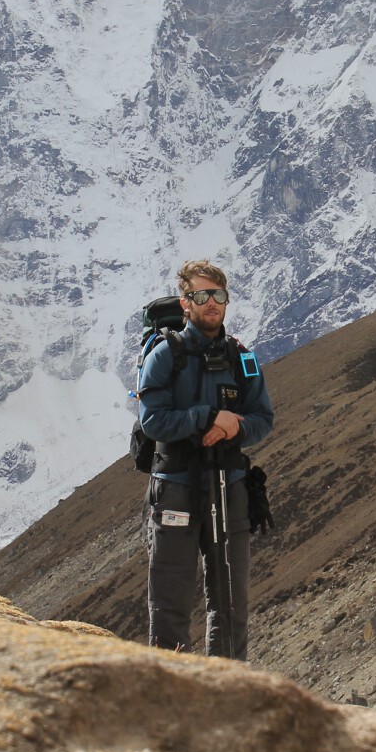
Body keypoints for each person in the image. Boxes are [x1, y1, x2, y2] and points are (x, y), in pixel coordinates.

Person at [135, 259, 275, 659]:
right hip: (176, 487)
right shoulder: (166, 354)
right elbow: (153, 421)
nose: (212, 303)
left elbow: (264, 419)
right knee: (170, 601)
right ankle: (175, 697)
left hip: (229, 487)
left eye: (219, 295)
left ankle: (227, 693)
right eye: (202, 295)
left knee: (231, 601)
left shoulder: (241, 358)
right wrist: (209, 418)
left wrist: (235, 428)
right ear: (186, 303)